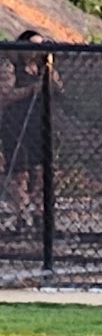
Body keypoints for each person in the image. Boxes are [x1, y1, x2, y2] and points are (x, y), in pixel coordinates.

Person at [1, 31, 56, 234]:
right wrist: (31, 90)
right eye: (33, 45)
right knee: (19, 171)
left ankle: (39, 211)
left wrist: (49, 70)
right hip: (15, 124)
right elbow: (5, 95)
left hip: (38, 124)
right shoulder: (10, 67)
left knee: (40, 170)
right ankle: (21, 213)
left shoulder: (41, 68)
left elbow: (59, 90)